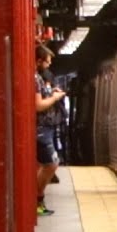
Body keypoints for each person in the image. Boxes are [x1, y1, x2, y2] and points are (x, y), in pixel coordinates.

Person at [34, 45, 67, 215]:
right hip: (40, 129)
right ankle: (37, 200)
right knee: (51, 164)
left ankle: (38, 200)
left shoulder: (39, 79)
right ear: (38, 61)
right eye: (47, 63)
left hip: (44, 128)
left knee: (48, 164)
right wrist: (54, 98)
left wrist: (51, 93)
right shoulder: (34, 78)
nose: (48, 66)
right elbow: (38, 105)